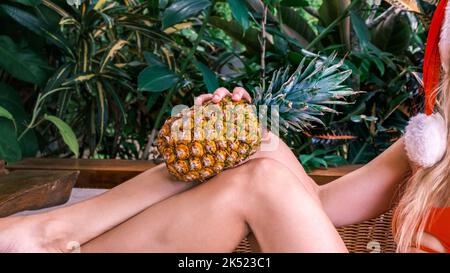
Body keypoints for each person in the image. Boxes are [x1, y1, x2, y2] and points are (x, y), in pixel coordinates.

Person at [1, 1, 449, 254]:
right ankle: (52, 235)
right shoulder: (434, 138)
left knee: (261, 184)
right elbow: (321, 205)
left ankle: (49, 234)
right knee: (259, 166)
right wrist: (248, 136)